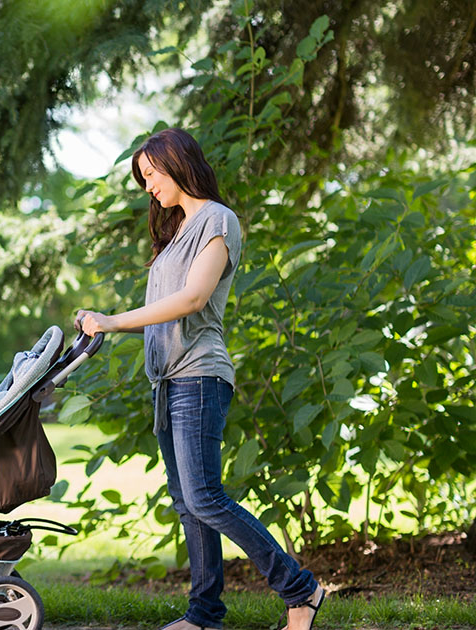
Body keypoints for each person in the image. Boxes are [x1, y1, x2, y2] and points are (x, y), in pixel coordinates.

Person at [74, 127, 326, 630]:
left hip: (199, 376)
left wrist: (113, 320)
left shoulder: (217, 219)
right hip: (168, 383)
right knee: (189, 506)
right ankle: (205, 614)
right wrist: (101, 324)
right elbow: (165, 310)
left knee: (206, 497)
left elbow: (192, 299)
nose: (148, 187)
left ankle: (301, 590)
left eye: (151, 174)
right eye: (143, 179)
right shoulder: (175, 235)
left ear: (178, 163)